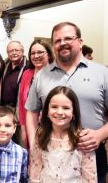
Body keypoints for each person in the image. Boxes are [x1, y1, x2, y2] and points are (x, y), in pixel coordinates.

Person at [26, 22, 108, 182]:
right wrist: (34, 142)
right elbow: (31, 111)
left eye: (68, 38)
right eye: (57, 40)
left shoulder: (102, 73)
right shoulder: (42, 76)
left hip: (90, 151)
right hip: (49, 151)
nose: (62, 43)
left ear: (80, 41)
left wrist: (100, 135)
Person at [29, 86, 97, 183]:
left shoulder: (82, 138)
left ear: (74, 112)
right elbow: (34, 169)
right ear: (47, 111)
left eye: (66, 108)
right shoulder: (40, 135)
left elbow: (90, 176)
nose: (60, 112)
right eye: (54, 107)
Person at [19, 39, 54, 148]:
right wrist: (24, 129)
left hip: (50, 127)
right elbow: (21, 103)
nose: (36, 56)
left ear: (48, 54)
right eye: (33, 53)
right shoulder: (26, 74)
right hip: (31, 127)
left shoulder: (56, 74)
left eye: (40, 52)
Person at [0, 40, 29, 145]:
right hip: (5, 109)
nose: (14, 53)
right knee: (7, 139)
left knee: (21, 140)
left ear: (22, 51)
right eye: (11, 51)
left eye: (17, 50)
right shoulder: (5, 66)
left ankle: (23, 161)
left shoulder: (28, 67)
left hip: (20, 109)